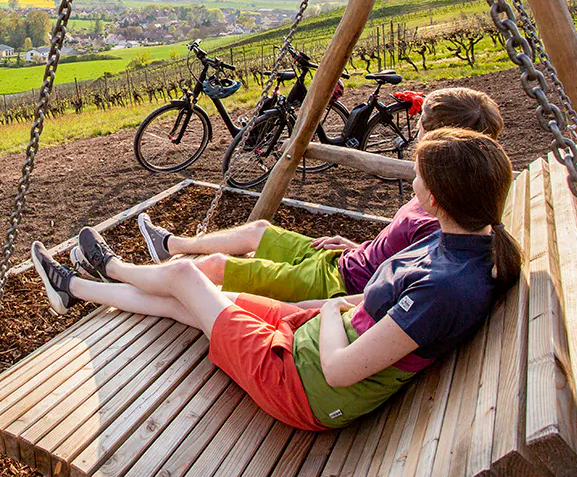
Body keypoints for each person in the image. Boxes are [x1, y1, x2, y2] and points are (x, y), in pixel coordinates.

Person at [31, 127, 520, 431]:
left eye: (418, 178)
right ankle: (75, 289)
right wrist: (328, 309)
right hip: (313, 336)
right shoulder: (468, 243)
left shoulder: (447, 286)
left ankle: (104, 272)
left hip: (301, 385)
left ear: (435, 198)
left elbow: (340, 371)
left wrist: (329, 307)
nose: (412, 185)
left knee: (184, 276)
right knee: (193, 298)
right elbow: (384, 315)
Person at [118, 87, 503, 303]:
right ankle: (170, 245)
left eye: (419, 127)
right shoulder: (449, 199)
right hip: (348, 259)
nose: (414, 134)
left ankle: (136, 282)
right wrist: (352, 244)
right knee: (259, 230)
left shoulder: (443, 215)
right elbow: (396, 255)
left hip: (339, 284)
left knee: (220, 265)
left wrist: (322, 307)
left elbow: (396, 283)